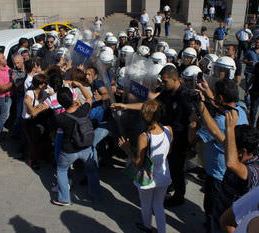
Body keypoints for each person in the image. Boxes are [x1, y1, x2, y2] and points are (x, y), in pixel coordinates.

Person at [111, 65, 193, 207]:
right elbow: (149, 105)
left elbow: (193, 122)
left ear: (175, 79)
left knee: (177, 167)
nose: (162, 83)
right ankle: (167, 184)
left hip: (179, 138)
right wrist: (125, 106)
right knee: (165, 164)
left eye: (165, 81)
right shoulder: (166, 93)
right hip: (164, 135)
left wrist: (192, 143)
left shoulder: (186, 96)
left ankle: (179, 196)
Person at [195, 79, 249, 233]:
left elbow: (209, 129)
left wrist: (200, 106)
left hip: (217, 175)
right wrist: (208, 92)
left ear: (219, 98)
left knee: (212, 209)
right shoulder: (241, 110)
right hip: (226, 175)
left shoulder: (220, 121)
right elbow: (221, 106)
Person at [118, 99, 173, 233]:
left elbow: (138, 163)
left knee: (146, 205)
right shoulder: (168, 129)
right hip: (164, 175)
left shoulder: (144, 136)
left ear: (143, 117)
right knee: (159, 206)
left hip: (148, 177)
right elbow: (169, 151)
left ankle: (147, 227)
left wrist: (127, 150)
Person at [51, 84, 101, 206]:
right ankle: (95, 196)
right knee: (92, 171)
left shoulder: (59, 118)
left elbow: (53, 129)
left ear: (60, 102)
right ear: (72, 97)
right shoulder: (83, 110)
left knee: (62, 170)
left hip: (68, 150)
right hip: (86, 148)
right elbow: (89, 97)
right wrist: (79, 85)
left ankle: (64, 198)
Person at [21, 74, 49, 169]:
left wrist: (39, 108)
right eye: (46, 83)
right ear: (40, 85)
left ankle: (39, 156)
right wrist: (41, 107)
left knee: (39, 140)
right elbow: (31, 112)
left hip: (39, 120)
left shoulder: (44, 93)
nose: (47, 85)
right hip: (28, 121)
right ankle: (31, 161)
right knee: (32, 142)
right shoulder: (29, 94)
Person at [0, 53, 13, 140]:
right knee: (4, 115)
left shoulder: (6, 67)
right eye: (3, 58)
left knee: (8, 114)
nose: (5, 59)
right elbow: (2, 88)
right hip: (4, 97)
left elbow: (12, 73)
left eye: (4, 57)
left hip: (10, 95)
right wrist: (13, 82)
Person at [249, 62, 259, 127]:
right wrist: (248, 87)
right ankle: (251, 127)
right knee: (253, 111)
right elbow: (253, 77)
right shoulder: (257, 65)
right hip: (255, 91)